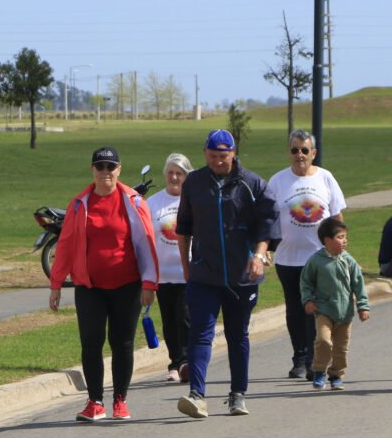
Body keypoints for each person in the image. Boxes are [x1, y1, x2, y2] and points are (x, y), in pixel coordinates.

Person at [48, 147, 159, 422]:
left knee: (122, 342)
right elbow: (66, 243)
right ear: (93, 171)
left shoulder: (133, 201)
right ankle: (94, 402)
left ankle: (120, 399)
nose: (106, 172)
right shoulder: (79, 203)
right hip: (89, 286)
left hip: (128, 284)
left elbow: (147, 244)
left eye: (111, 167)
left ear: (119, 170)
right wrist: (56, 283)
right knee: (91, 341)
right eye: (101, 167)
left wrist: (150, 283)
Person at [175, 129, 277, 419]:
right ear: (204, 154)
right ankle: (197, 395)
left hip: (241, 276)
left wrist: (258, 256)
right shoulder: (194, 183)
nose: (218, 162)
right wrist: (186, 267)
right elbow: (184, 230)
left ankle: (237, 394)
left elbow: (267, 225)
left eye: (223, 156)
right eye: (212, 156)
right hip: (204, 275)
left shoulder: (253, 184)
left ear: (234, 154)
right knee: (200, 333)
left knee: (237, 335)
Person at [266, 129, 346, 381]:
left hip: (319, 258)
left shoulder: (325, 178)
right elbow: (267, 220)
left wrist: (340, 247)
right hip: (288, 258)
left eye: (304, 150)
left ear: (314, 153)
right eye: (294, 150)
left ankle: (316, 360)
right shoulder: (277, 181)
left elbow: (336, 218)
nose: (299, 155)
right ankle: (299, 358)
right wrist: (266, 249)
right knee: (295, 309)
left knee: (317, 309)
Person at [300, 218, 370, 391]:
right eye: (340, 237)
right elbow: (306, 282)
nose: (344, 240)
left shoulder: (349, 260)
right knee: (323, 341)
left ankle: (336, 374)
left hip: (345, 312)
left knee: (341, 348)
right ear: (327, 240)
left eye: (345, 237)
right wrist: (307, 300)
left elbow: (358, 285)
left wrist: (363, 306)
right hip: (323, 310)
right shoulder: (316, 261)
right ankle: (319, 371)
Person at [146, 153, 194, 382]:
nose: (175, 177)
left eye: (180, 173)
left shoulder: (193, 201)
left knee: (184, 316)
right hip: (162, 274)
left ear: (186, 176)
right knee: (168, 321)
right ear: (165, 175)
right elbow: (146, 239)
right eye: (171, 173)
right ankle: (175, 363)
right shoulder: (153, 203)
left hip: (188, 272)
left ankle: (186, 361)